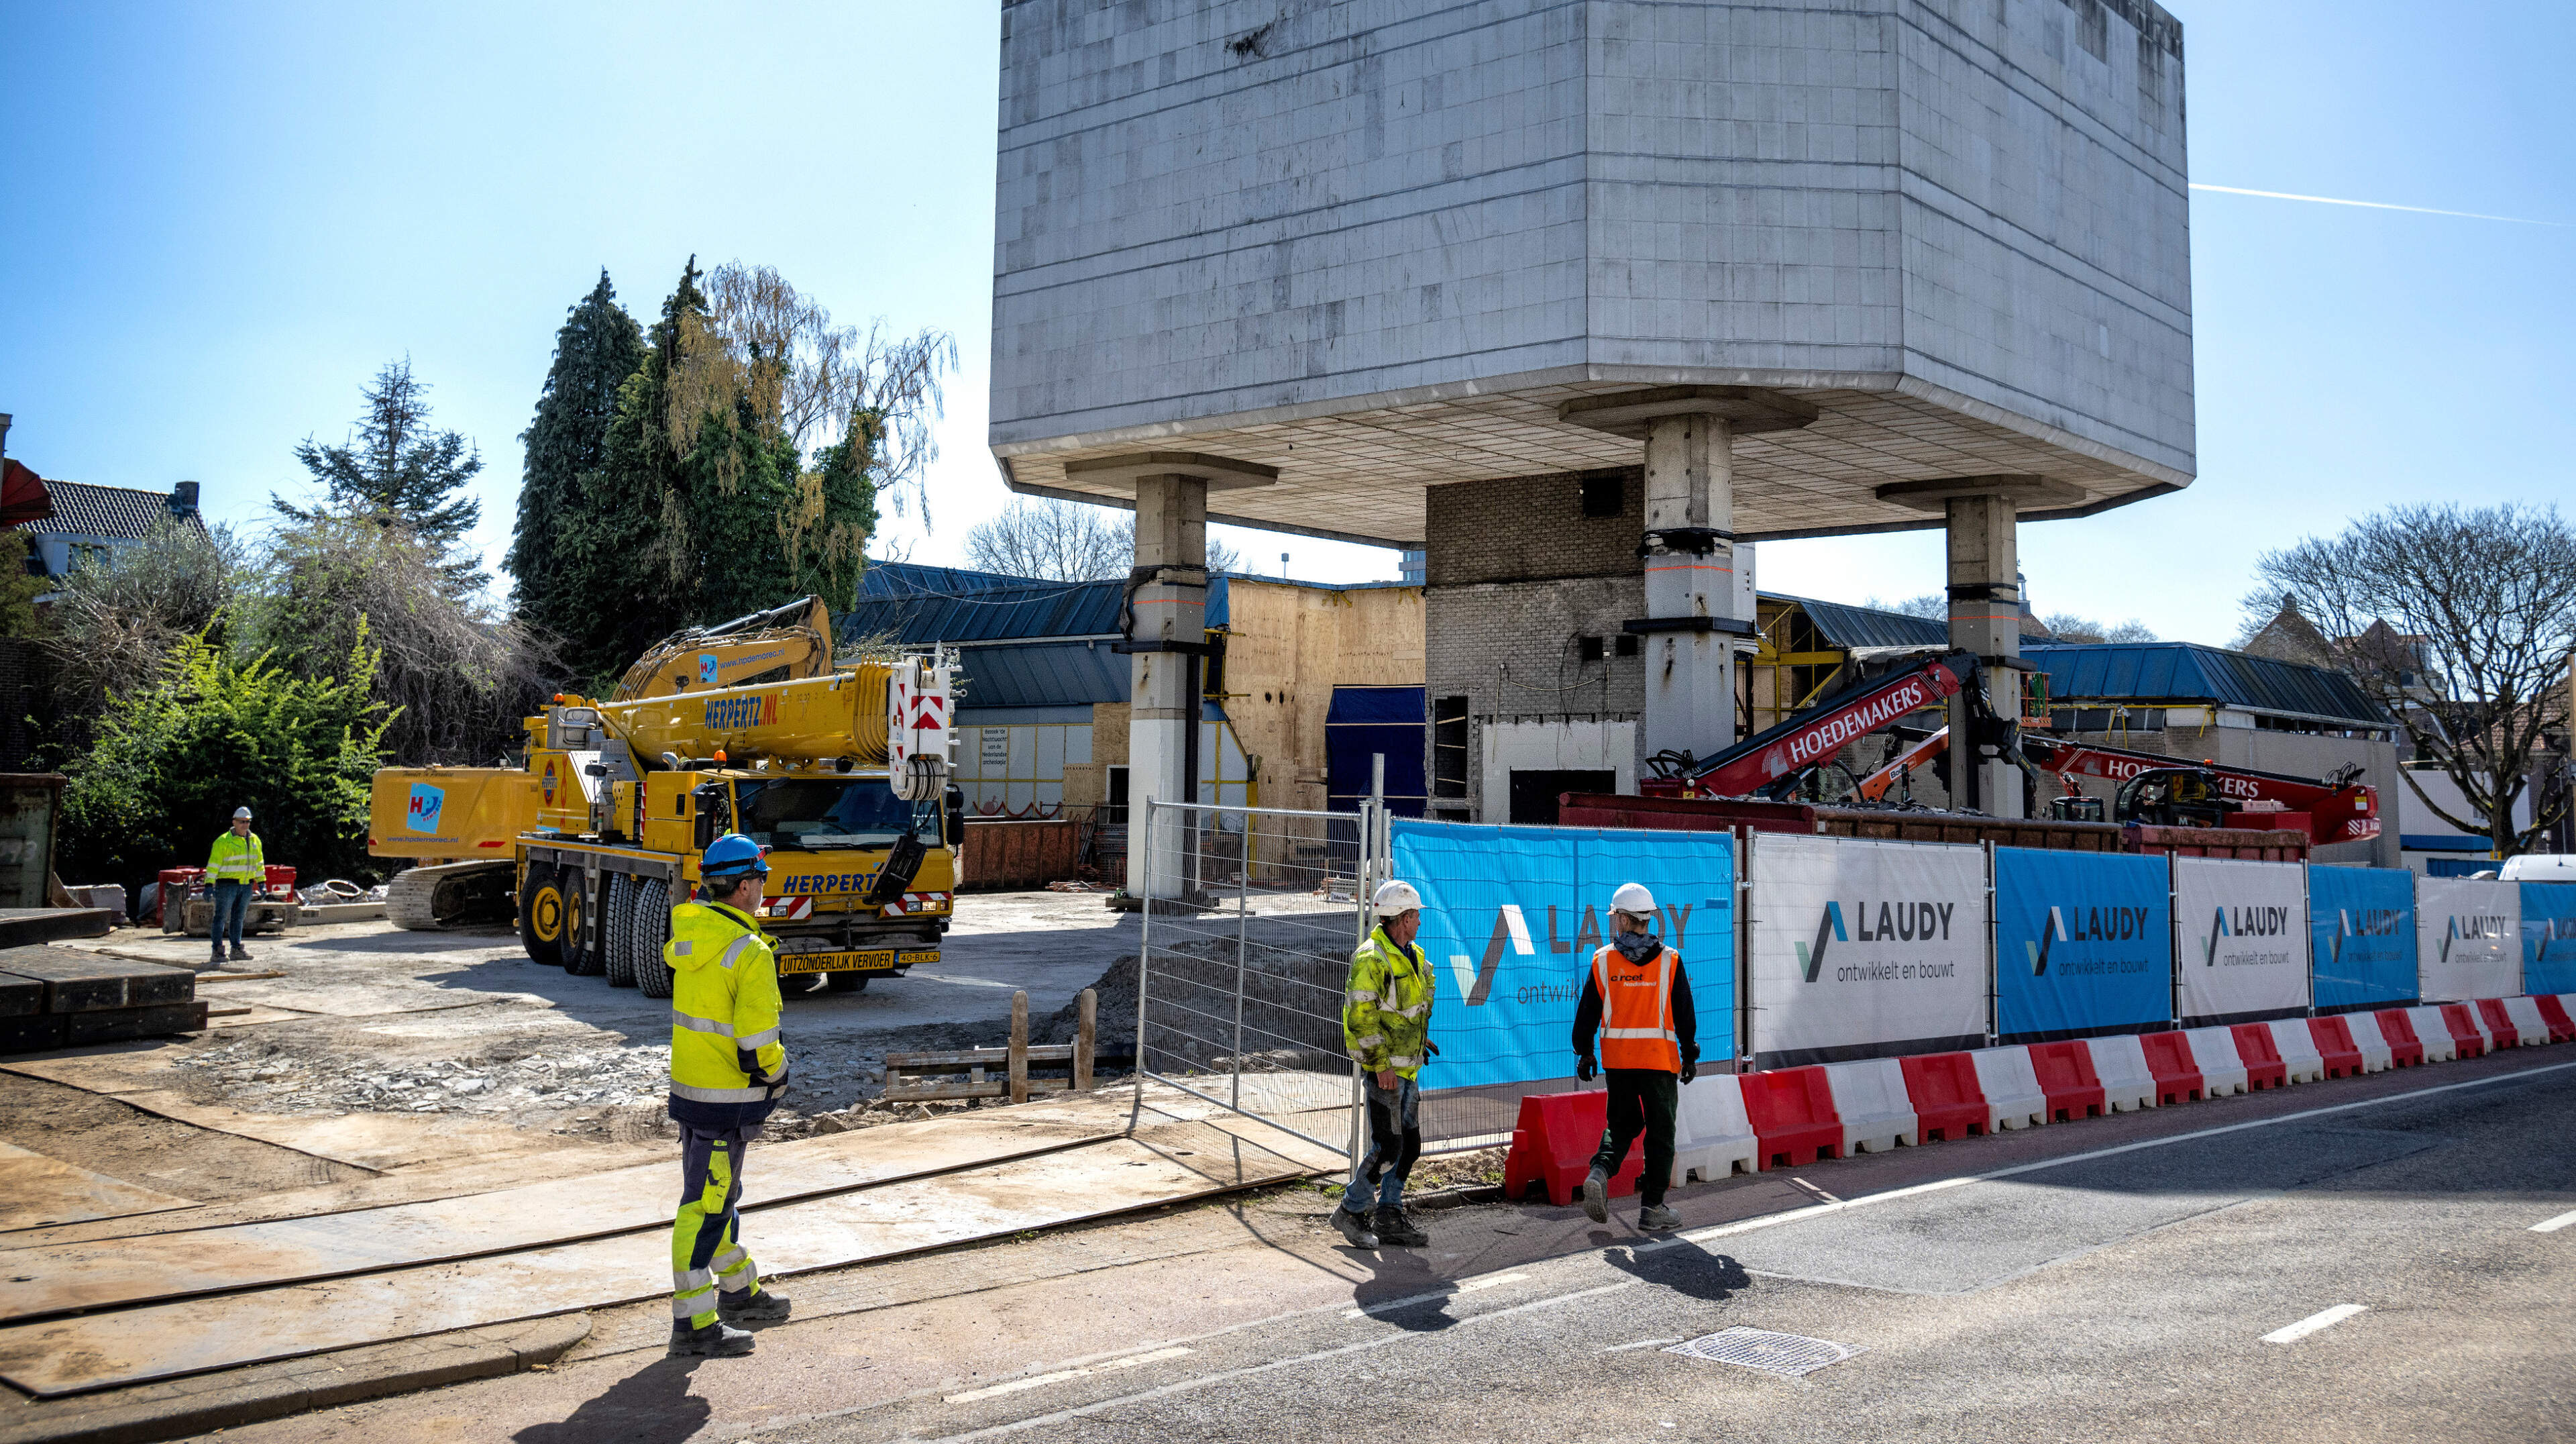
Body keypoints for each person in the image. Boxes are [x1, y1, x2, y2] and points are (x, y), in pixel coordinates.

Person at [665, 833, 794, 1357]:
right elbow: (757, 1043)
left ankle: (738, 1293)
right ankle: (694, 1326)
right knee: (704, 1210)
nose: (763, 888)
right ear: (743, 887)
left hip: (692, 1093)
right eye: (760, 880)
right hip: (727, 1101)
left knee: (719, 1200)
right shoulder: (750, 952)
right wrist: (780, 1075)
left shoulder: (695, 938)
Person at [1571, 882, 1697, 1231]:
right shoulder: (1670, 961)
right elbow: (1685, 1015)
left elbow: (1586, 1017)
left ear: (1626, 920)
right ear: (1648, 919)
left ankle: (1600, 1171)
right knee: (1660, 1133)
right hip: (1659, 1063)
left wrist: (1584, 1054)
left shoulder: (1603, 960)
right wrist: (1689, 1055)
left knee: (1623, 1125)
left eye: (1617, 919)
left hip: (1619, 1063)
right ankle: (1653, 1208)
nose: (1615, 924)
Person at [1334, 878, 1438, 1250]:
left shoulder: (1412, 955)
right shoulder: (1372, 959)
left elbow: (1402, 1010)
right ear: (1403, 918)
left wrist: (1419, 1038)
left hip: (1406, 1068)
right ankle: (1351, 1210)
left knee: (1409, 1145)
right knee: (1388, 1146)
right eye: (1416, 916)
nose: (1420, 922)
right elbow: (1361, 1019)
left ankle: (1389, 1214)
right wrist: (1380, 1066)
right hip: (1387, 1072)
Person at [205, 807, 264, 965]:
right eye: (242, 822)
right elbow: (214, 865)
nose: (245, 825)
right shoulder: (223, 841)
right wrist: (209, 884)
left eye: (247, 822)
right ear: (234, 822)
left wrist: (262, 883)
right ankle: (217, 950)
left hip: (246, 886)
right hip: (227, 885)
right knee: (221, 918)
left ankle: (236, 949)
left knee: (238, 919)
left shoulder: (255, 840)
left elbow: (259, 864)